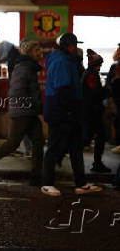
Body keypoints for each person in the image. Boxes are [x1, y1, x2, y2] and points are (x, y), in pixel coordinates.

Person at [0, 40, 44, 185]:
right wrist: (33, 106)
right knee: (13, 143)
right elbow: (18, 92)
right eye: (37, 50)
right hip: (23, 112)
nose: (40, 53)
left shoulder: (28, 67)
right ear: (30, 52)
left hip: (28, 111)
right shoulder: (24, 67)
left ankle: (36, 175)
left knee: (38, 141)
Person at [42, 33, 102, 196]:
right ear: (67, 46)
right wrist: (69, 110)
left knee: (75, 148)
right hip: (60, 110)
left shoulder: (68, 60)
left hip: (68, 110)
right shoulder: (61, 61)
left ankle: (81, 183)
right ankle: (47, 183)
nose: (76, 48)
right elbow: (63, 89)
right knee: (54, 147)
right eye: (74, 45)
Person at [82, 49, 111, 173]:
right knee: (98, 137)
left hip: (90, 112)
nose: (100, 66)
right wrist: (106, 91)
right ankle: (97, 163)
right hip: (92, 113)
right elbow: (95, 93)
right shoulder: (91, 76)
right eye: (99, 64)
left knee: (88, 138)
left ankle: (97, 163)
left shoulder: (90, 74)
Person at [107, 43, 120, 148]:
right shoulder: (116, 65)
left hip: (116, 97)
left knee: (117, 119)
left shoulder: (115, 65)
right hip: (116, 97)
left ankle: (117, 140)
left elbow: (109, 83)